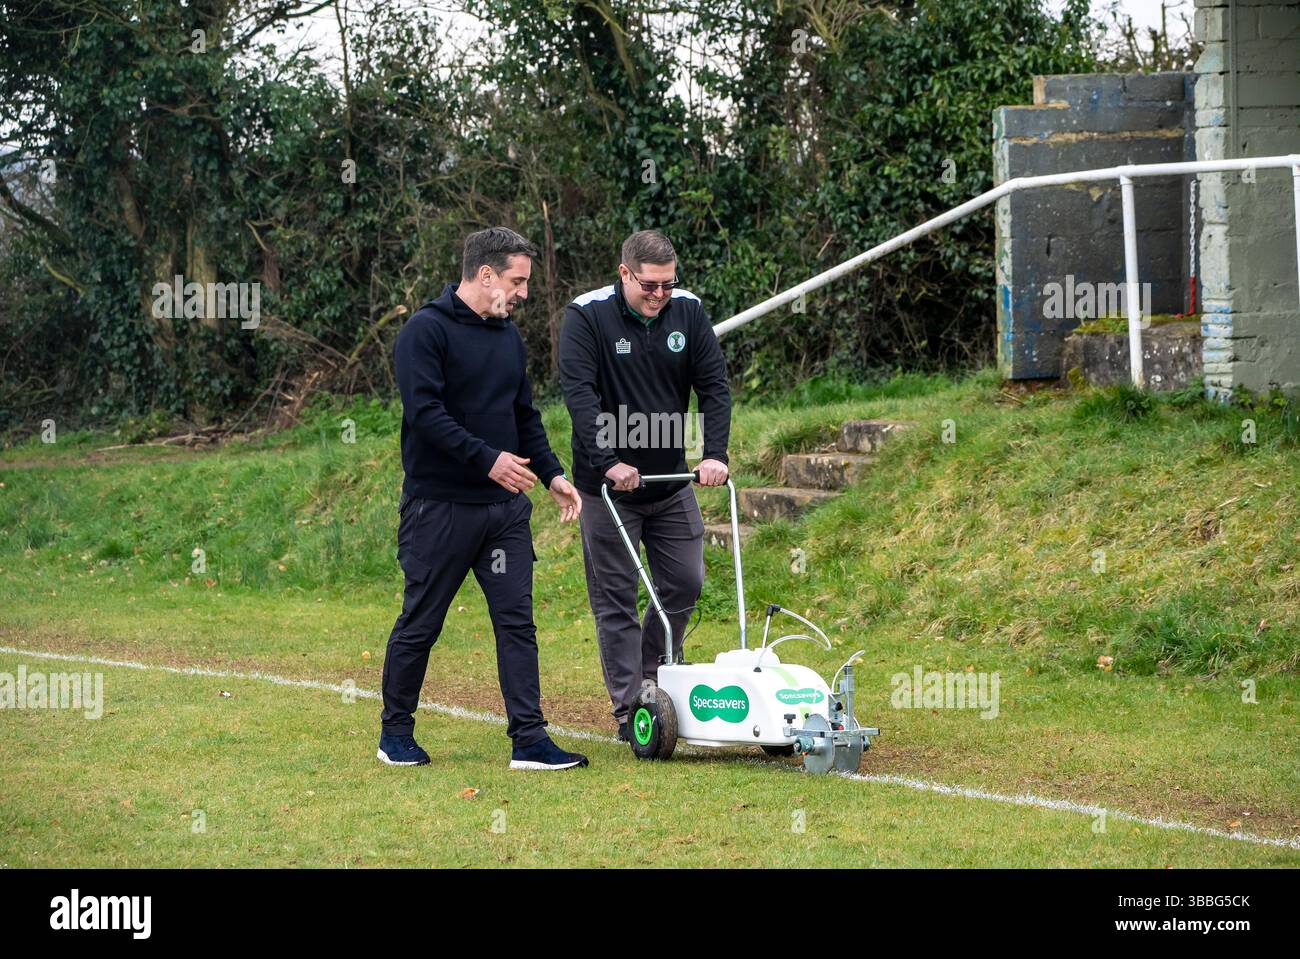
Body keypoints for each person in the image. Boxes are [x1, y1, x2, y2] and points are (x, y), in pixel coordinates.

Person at [380, 226, 589, 771]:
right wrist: (488, 460)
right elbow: (426, 416)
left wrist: (552, 474)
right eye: (517, 281)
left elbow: (524, 416)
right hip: (439, 509)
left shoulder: (508, 336)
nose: (524, 293)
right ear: (486, 274)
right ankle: (395, 734)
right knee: (421, 622)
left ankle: (530, 740)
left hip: (504, 513)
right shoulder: (425, 332)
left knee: (516, 622)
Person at [559, 229, 732, 741]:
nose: (659, 295)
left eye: (667, 285)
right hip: (608, 490)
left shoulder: (688, 310)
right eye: (649, 285)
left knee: (684, 583)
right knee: (616, 597)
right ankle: (629, 707)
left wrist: (715, 454)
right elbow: (579, 394)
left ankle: (654, 678)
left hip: (670, 480)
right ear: (624, 273)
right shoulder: (586, 315)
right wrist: (608, 462)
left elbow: (714, 387)